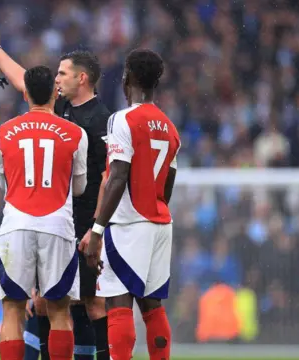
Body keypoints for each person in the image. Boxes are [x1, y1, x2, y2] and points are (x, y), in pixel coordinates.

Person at [0, 20, 110, 360]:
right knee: (53, 306)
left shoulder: (101, 120)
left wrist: (98, 228)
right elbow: (25, 81)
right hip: (61, 222)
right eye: (55, 76)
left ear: (81, 78)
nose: (57, 80)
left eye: (63, 73)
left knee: (85, 303)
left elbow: (109, 177)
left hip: (82, 224)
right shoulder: (66, 118)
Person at [86, 49, 180, 360]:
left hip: (128, 224)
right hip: (159, 223)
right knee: (152, 307)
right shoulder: (170, 127)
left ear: (127, 77)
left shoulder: (122, 120)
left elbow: (117, 176)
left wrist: (97, 230)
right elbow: (168, 182)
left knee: (117, 303)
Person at [0, 65, 88, 360]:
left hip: (16, 224)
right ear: (54, 93)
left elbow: (4, 183)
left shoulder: (3, 132)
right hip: (57, 225)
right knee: (59, 310)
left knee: (12, 310)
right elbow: (80, 187)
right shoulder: (76, 133)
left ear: (26, 95)